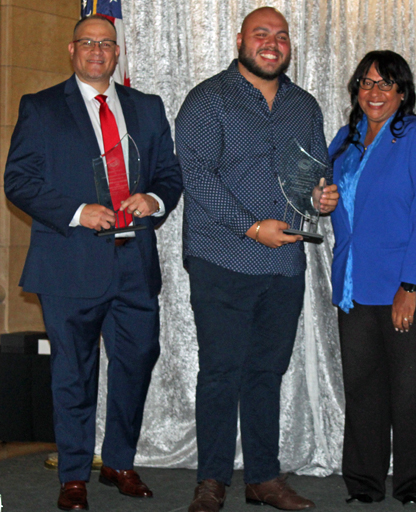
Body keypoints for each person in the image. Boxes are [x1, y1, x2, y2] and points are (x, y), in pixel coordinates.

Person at [4, 15, 182, 511]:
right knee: (74, 374)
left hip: (135, 265)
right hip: (69, 266)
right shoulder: (40, 108)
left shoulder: (147, 107)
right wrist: (79, 212)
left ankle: (120, 463)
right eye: (88, 42)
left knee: (135, 364)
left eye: (107, 43)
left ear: (117, 52)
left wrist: (155, 199)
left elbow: (170, 173)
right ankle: (75, 472)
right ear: (72, 49)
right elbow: (18, 180)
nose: (98, 51)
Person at [175, 6, 338, 512]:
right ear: (240, 40)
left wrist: (321, 198)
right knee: (221, 372)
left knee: (267, 373)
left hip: (284, 264)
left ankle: (264, 478)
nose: (272, 43)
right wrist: (251, 227)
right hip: (221, 259)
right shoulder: (207, 99)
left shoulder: (304, 106)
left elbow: (313, 174)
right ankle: (212, 481)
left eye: (281, 36)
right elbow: (197, 178)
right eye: (261, 34)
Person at [328, 50, 416, 506]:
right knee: (362, 388)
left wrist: (411, 286)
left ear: (402, 91)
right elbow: (333, 201)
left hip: (408, 285)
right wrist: (322, 200)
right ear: (355, 90)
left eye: (385, 84)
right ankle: (363, 483)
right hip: (356, 283)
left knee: (410, 389)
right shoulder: (344, 139)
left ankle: (415, 484)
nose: (374, 92)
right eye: (366, 82)